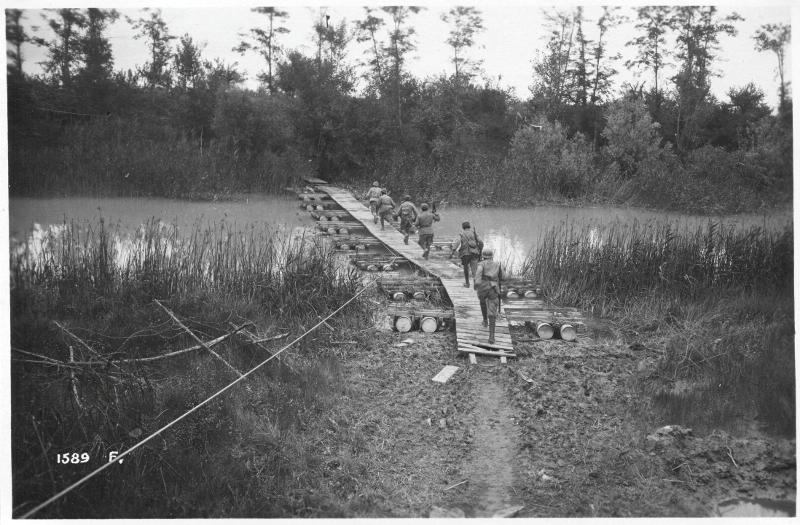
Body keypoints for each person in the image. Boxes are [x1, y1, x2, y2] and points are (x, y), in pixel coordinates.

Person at [474, 248, 503, 344]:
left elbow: (478, 275)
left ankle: (485, 320)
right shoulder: (497, 265)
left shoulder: (481, 264)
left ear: (483, 256)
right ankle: (492, 337)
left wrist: (476, 284)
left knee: (482, 301)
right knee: (492, 312)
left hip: (483, 287)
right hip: (493, 288)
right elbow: (503, 277)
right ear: (492, 256)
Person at [450, 221, 482, 287]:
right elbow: (481, 242)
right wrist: (480, 251)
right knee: (474, 270)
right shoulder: (474, 233)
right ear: (469, 226)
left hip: (465, 254)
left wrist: (452, 251)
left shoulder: (461, 234)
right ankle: (476, 284)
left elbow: (457, 243)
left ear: (463, 227)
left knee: (466, 268)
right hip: (474, 253)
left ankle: (467, 283)